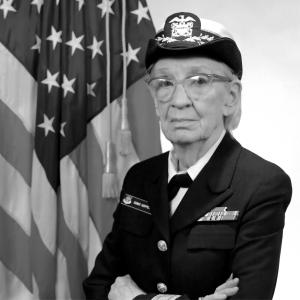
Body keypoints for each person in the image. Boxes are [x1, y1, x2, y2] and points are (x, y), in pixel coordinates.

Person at [83, 12, 292, 300]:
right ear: (154, 99)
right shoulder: (139, 178)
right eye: (165, 83)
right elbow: (97, 288)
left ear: (231, 98)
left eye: (199, 81)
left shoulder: (261, 185)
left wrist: (136, 299)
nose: (179, 101)